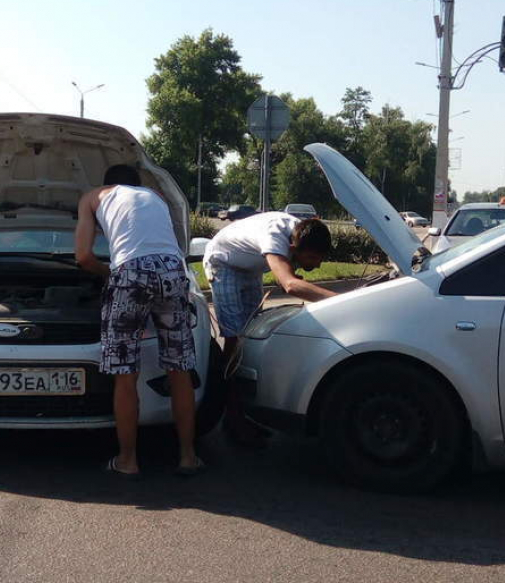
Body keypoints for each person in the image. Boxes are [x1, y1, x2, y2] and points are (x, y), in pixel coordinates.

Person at [75, 164, 201, 478]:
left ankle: (128, 461)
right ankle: (188, 456)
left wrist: (113, 274)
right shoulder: (155, 196)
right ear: (137, 184)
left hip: (130, 274)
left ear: (108, 184)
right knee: (180, 368)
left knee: (125, 374)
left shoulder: (93, 196)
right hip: (174, 272)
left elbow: (83, 258)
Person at [203, 212, 337, 444]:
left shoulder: (299, 233)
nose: (317, 265)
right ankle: (232, 418)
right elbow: (290, 284)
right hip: (223, 263)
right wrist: (339, 301)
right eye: (314, 257)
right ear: (294, 246)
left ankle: (244, 413)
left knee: (252, 337)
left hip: (248, 268)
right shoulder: (276, 236)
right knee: (235, 343)